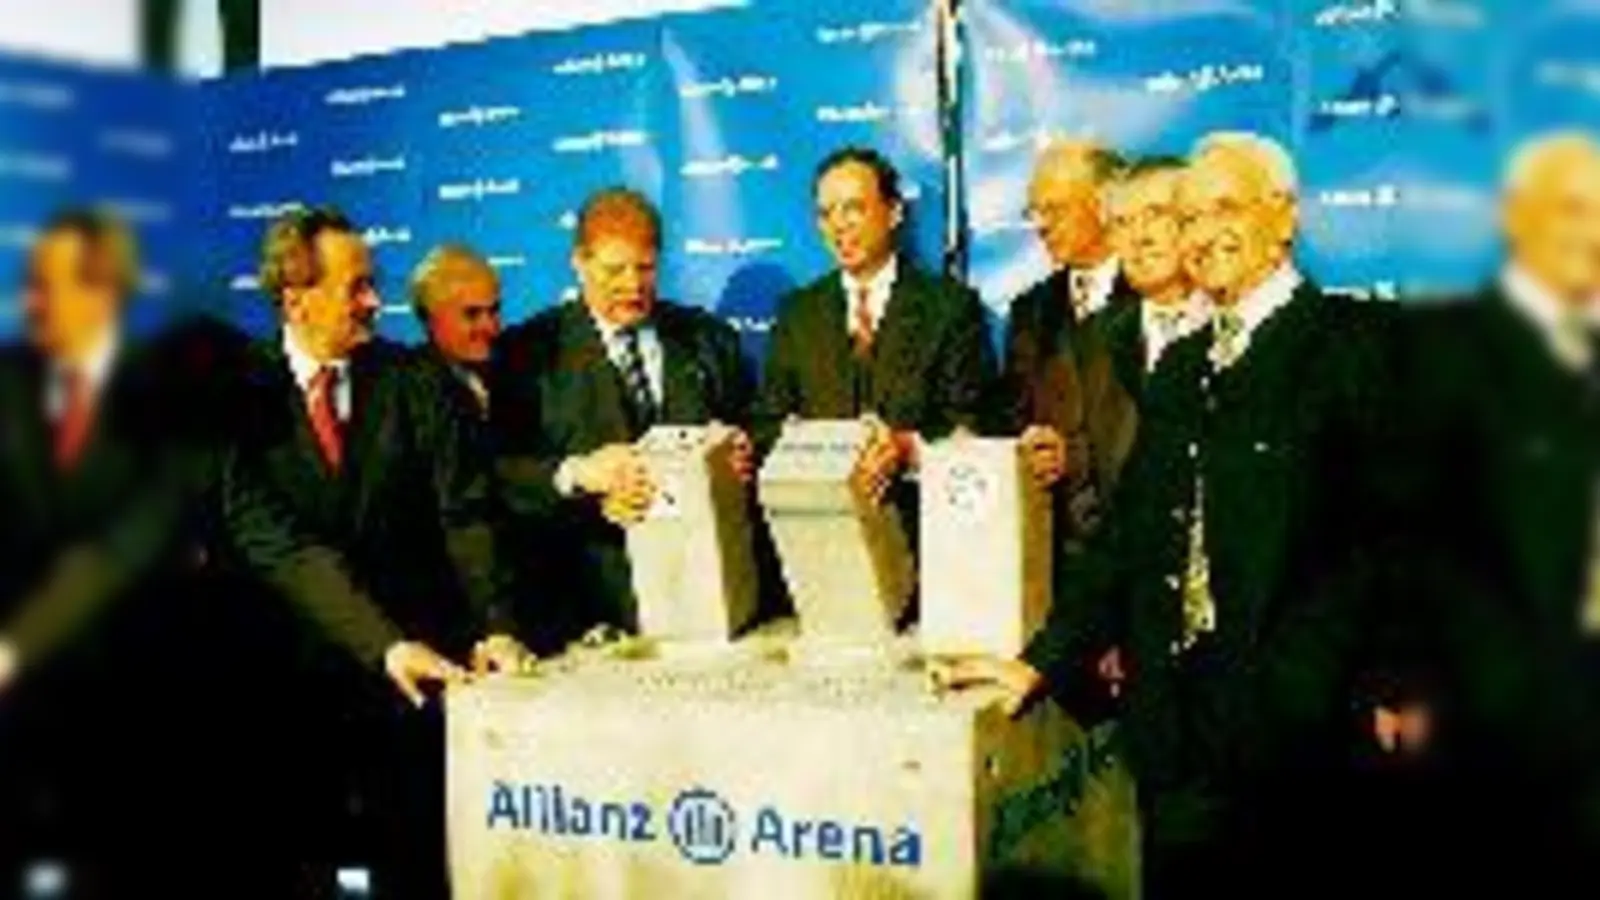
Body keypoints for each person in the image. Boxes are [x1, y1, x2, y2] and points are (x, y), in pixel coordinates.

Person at [938, 132, 1390, 895]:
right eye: (1187, 217)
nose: (1201, 232)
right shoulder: (1180, 367)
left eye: (1224, 207)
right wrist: (1040, 661)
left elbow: (1395, 536)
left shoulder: (1354, 346)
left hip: (1300, 735)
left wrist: (1397, 681)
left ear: (1283, 219)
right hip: (1175, 731)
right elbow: (1130, 536)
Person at [220, 205, 525, 897]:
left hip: (414, 688)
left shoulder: (413, 378)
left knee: (416, 866)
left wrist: (497, 624)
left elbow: (465, 515)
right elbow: (277, 545)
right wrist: (383, 643)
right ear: (295, 299)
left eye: (371, 284)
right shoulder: (238, 393)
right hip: (288, 696)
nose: (373, 302)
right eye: (355, 286)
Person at [1387, 131, 1600, 881]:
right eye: (1572, 209)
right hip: (1495, 722)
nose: (1593, 232)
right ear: (1517, 218)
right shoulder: (1441, 351)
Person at [0, 209, 196, 894]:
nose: (27, 302)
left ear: (104, 290)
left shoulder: (170, 394)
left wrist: (14, 646)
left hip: (131, 712)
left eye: (43, 286)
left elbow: (126, 545)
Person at [493, 188, 753, 648]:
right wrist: (580, 477)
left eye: (646, 267)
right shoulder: (526, 353)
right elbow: (499, 475)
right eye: (615, 270)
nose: (633, 285)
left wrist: (740, 458)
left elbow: (748, 436)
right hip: (585, 612)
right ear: (580, 262)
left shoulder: (710, 340)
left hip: (709, 600)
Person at [753, 146, 992, 528]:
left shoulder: (949, 308)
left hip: (924, 530)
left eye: (853, 208)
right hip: (821, 533)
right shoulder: (798, 314)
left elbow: (975, 422)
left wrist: (906, 447)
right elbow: (767, 423)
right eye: (826, 213)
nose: (838, 226)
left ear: (894, 212)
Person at [993, 139, 1139, 557]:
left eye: (1054, 209)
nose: (1040, 225)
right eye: (1034, 211)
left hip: (1138, 542)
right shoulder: (1029, 308)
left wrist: (1075, 455)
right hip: (1053, 548)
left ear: (1104, 206)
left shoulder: (1158, 296)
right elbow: (1011, 413)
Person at [1099, 155, 1211, 401]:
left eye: (1156, 215)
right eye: (1123, 222)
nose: (1138, 237)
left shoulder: (1246, 324)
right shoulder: (1093, 340)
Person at [411, 242, 501, 422]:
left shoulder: (510, 374)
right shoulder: (406, 393)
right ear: (430, 317)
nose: (490, 326)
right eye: (472, 314)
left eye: (494, 311)